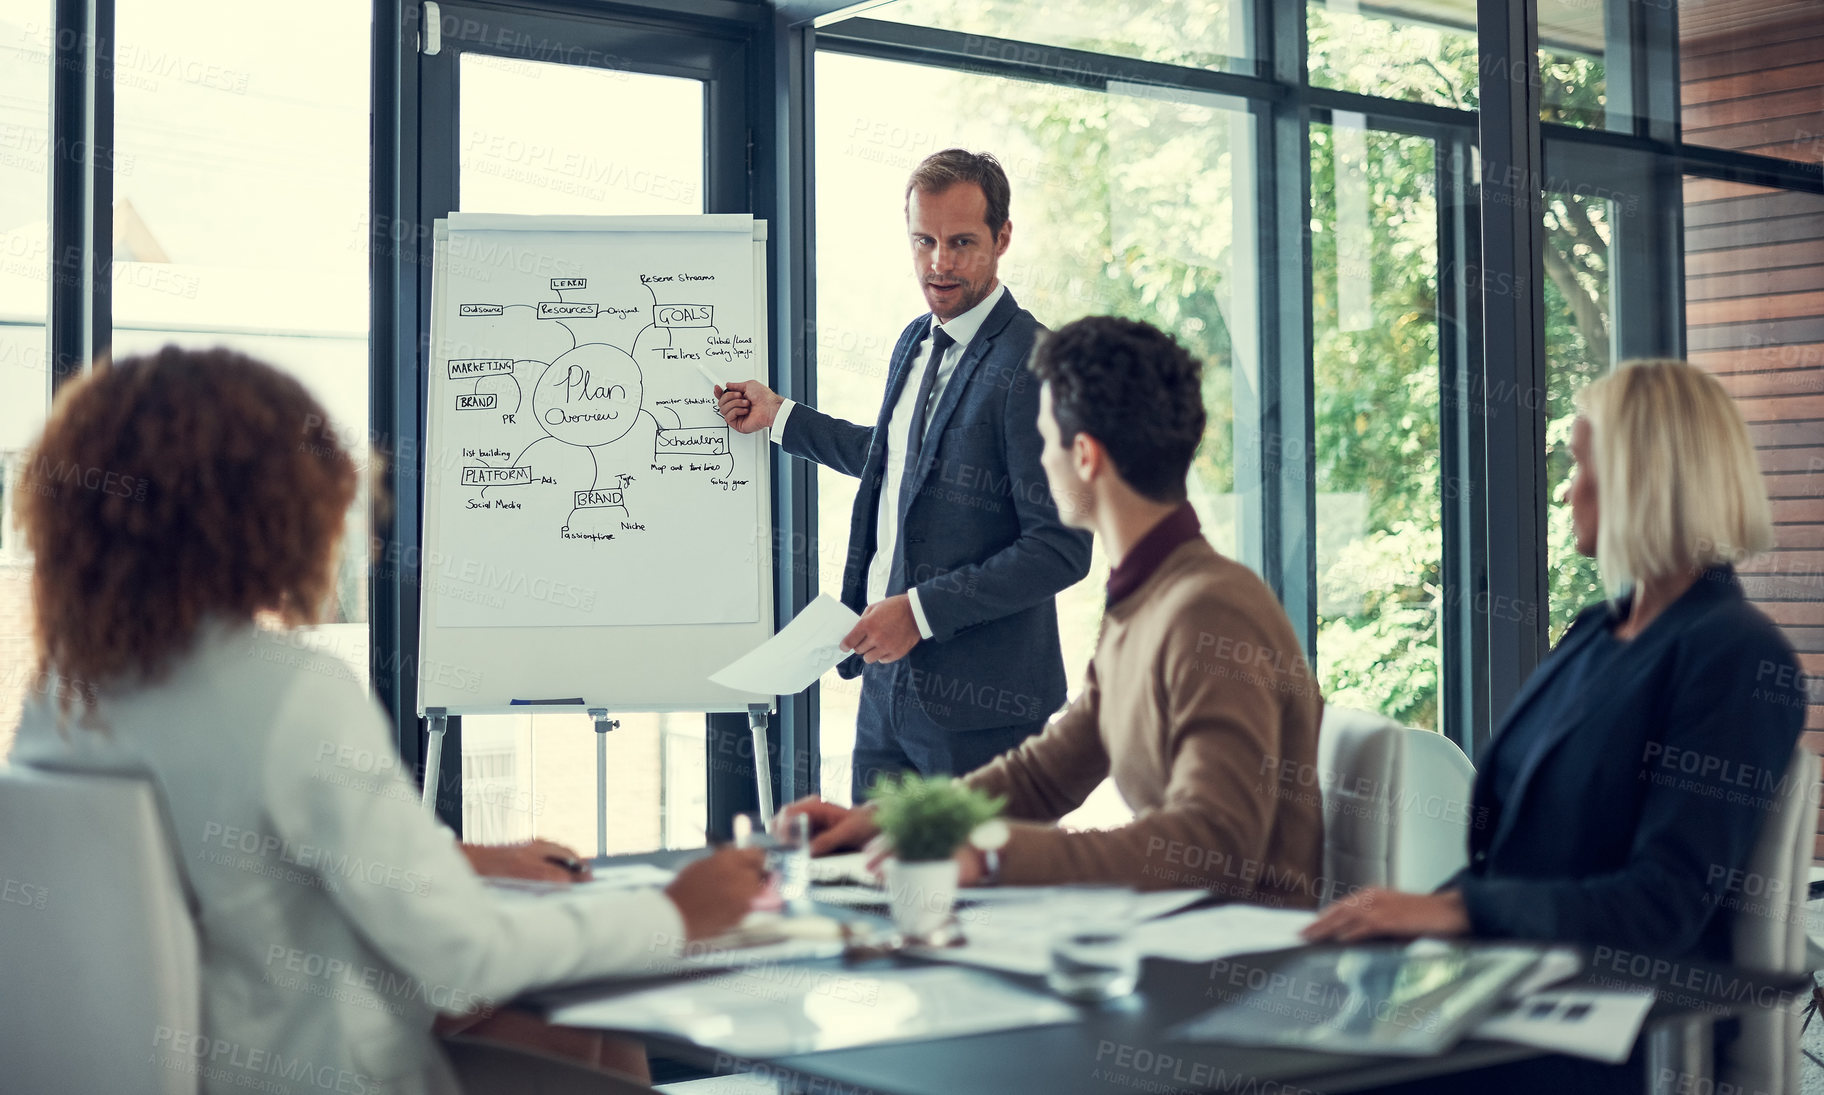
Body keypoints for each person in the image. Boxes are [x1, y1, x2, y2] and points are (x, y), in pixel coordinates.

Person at [8, 346, 765, 1095]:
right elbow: (466, 957)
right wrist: (675, 912)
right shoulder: (286, 690)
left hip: (202, 1057)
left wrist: (451, 858)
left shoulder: (71, 692)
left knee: (576, 1022)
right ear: (270, 510)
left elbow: (235, 862)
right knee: (578, 999)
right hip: (319, 1070)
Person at [783, 317, 1326, 902]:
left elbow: (1213, 846)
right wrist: (905, 820)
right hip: (1173, 939)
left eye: (1044, 442)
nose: (1037, 461)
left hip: (1240, 963)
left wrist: (991, 857)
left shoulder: (1209, 611)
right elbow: (1045, 775)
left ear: (1085, 457)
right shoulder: (1147, 599)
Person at [1304, 358, 1806, 960]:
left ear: (1641, 477)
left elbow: (1662, 905)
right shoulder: (1596, 631)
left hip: (1619, 1018)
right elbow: (1508, 863)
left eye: (1580, 463)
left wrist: (1456, 912)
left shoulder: (1737, 657)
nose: (1566, 489)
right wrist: (1404, 920)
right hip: (1512, 971)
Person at [715, 149, 1092, 801]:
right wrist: (780, 417)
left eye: (961, 242)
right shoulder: (916, 341)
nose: (939, 263)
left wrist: (919, 612)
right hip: (887, 687)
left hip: (984, 710)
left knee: (981, 898)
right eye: (924, 240)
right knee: (877, 887)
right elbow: (902, 465)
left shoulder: (1036, 363)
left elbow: (1061, 548)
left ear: (1003, 239)